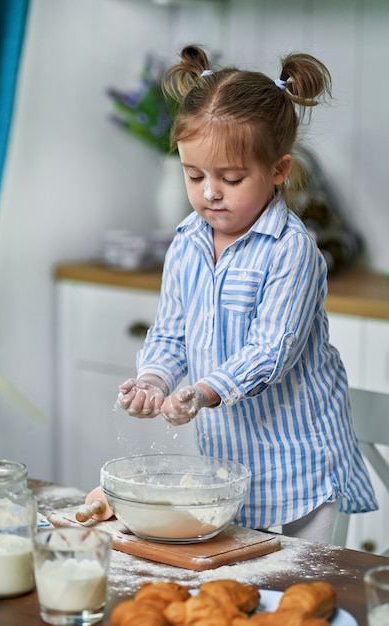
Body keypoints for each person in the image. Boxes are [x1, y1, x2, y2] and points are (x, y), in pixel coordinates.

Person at [117, 45, 377, 543]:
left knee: (303, 593)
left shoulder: (292, 250)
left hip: (303, 462)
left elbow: (272, 350)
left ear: (278, 170)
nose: (210, 192)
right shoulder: (187, 243)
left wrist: (204, 390)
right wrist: (153, 378)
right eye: (194, 176)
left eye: (231, 179)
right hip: (230, 465)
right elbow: (173, 333)